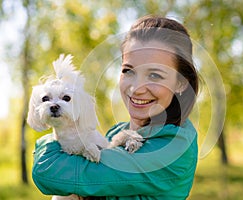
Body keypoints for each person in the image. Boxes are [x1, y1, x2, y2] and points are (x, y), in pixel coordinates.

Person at [32, 15, 202, 200]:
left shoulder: (173, 146)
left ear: (180, 83)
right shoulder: (118, 131)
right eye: (128, 71)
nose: (136, 88)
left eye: (154, 75)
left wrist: (50, 141)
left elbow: (49, 172)